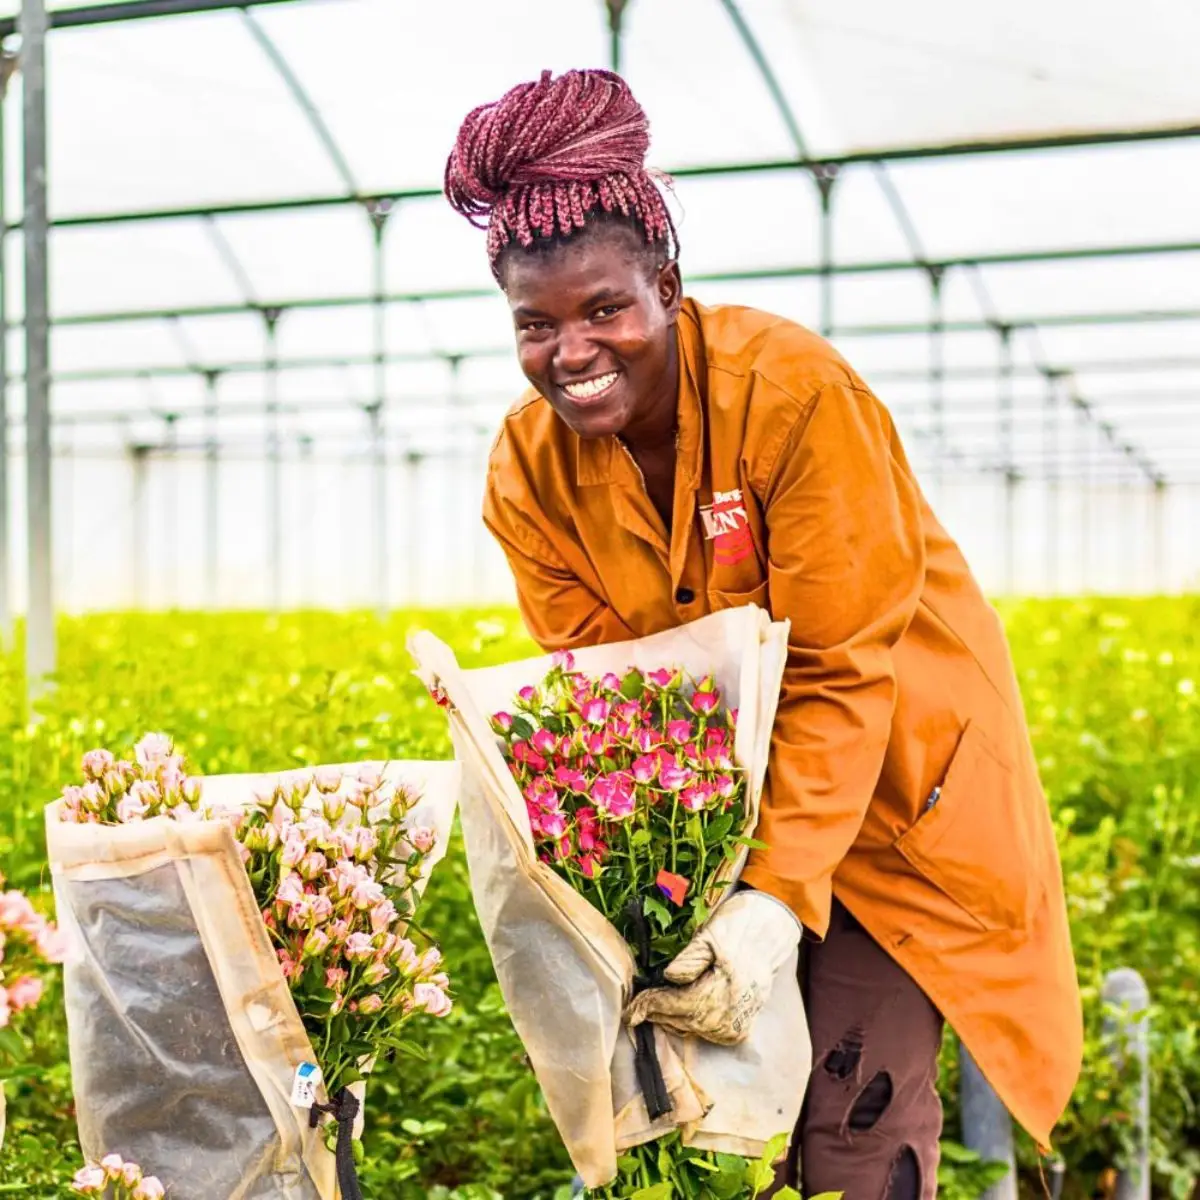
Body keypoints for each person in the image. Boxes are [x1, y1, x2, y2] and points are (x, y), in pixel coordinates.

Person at [443, 68, 1082, 1200]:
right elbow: (607, 698)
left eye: (606, 310)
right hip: (717, 824)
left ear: (668, 286)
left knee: (849, 1112)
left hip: (891, 799)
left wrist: (777, 900)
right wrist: (681, 890)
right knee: (727, 1128)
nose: (572, 351)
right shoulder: (526, 471)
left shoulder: (790, 393)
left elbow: (842, 668)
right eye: (536, 326)